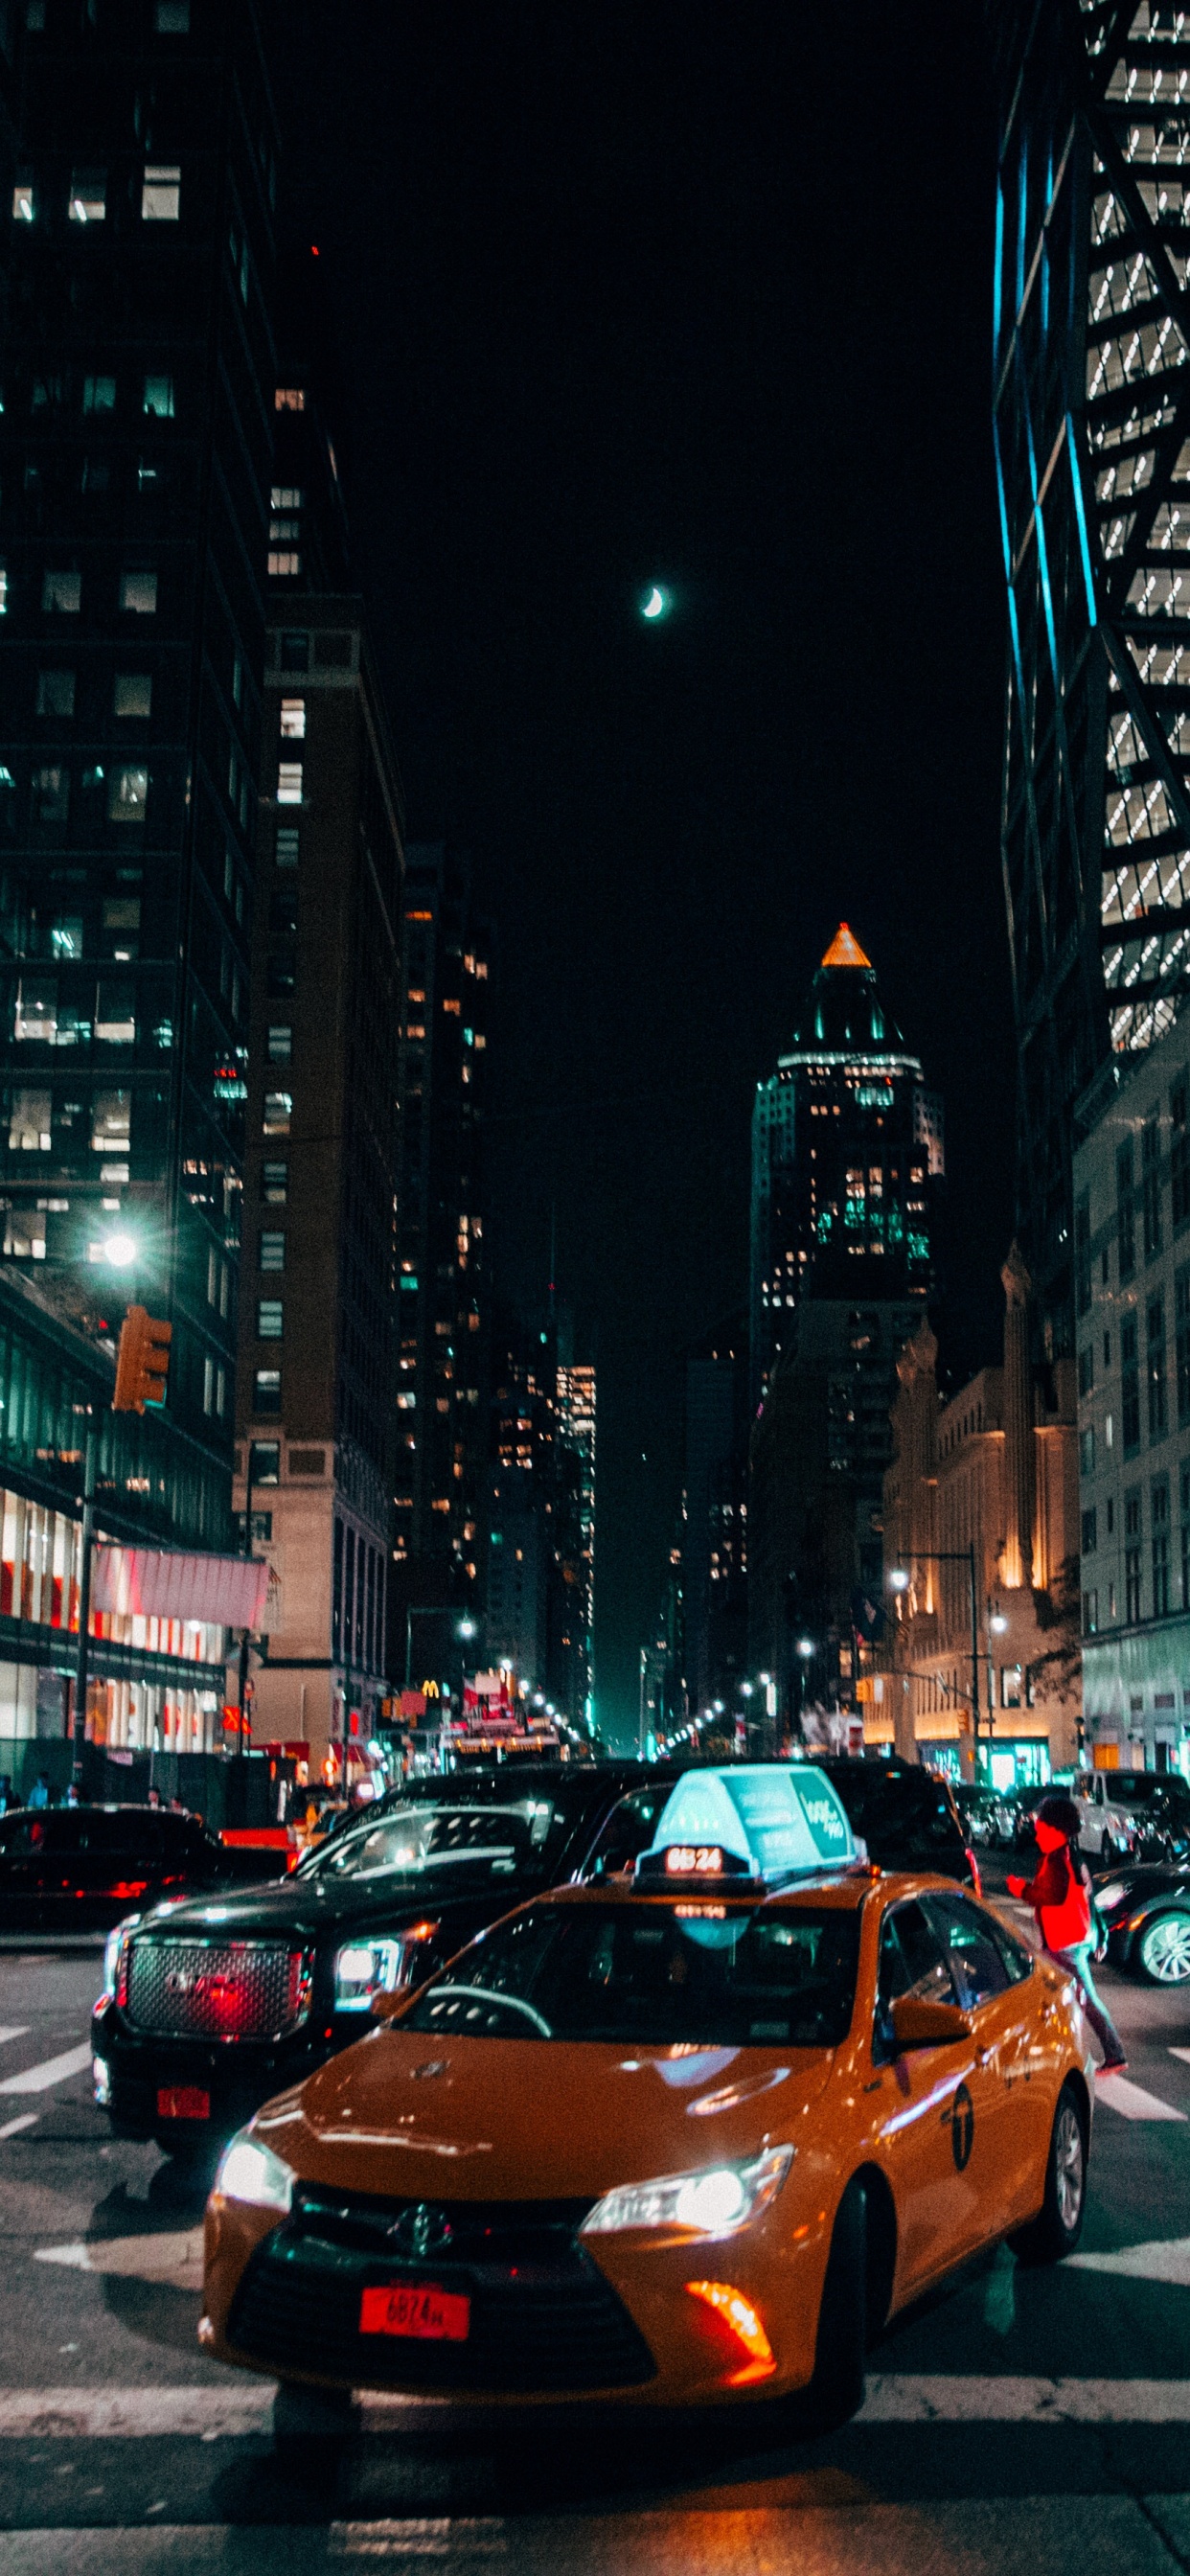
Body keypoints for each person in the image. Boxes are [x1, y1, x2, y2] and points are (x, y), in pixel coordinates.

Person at [1008, 1792, 1128, 2076]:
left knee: (1079, 1998)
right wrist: (1101, 1935)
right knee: (1059, 1996)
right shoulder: (1073, 1857)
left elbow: (1052, 1895)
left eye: (1040, 1826)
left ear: (1055, 1829)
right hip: (1076, 1937)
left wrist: (1021, 1889)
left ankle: (1114, 2055)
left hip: (1065, 1942)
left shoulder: (1057, 1860)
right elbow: (1088, 1899)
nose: (1035, 1831)